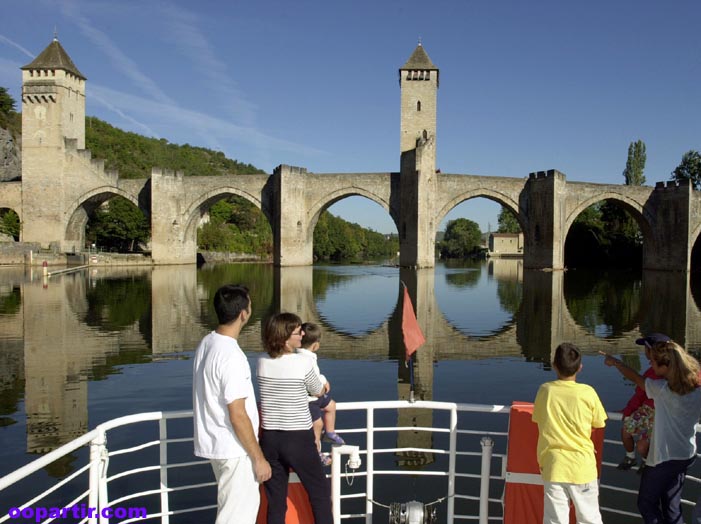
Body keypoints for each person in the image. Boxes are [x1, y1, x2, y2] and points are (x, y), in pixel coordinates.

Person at [192, 284, 271, 524]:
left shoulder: (207, 343)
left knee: (230, 511)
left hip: (217, 444)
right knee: (237, 516)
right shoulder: (232, 356)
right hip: (236, 450)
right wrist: (258, 458)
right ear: (244, 314)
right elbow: (238, 414)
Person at [603, 340, 701, 524]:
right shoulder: (697, 392)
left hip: (664, 459)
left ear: (665, 366)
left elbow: (635, 378)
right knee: (672, 507)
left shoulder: (662, 391)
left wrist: (616, 363)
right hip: (686, 455)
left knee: (646, 504)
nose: (650, 364)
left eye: (654, 362)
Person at [257, 313, 333, 524]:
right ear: (284, 336)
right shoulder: (302, 362)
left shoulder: (261, 362)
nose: (302, 333)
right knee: (319, 493)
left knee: (276, 501)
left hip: (270, 440)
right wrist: (323, 386)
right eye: (297, 331)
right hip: (298, 438)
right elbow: (317, 390)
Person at [532, 342, 607, 524]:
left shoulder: (545, 390)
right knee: (589, 519)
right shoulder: (588, 393)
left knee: (555, 520)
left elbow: (537, 419)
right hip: (583, 467)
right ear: (580, 368)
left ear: (554, 365)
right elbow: (599, 422)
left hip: (554, 465)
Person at [616, 333, 669, 472]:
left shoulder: (671, 376)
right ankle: (630, 457)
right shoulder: (649, 372)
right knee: (625, 431)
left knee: (642, 445)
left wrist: (616, 363)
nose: (645, 353)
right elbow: (639, 394)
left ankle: (646, 461)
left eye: (646, 349)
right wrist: (628, 410)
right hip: (645, 410)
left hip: (658, 415)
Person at [298, 322, 345, 465]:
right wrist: (324, 382)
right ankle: (316, 452)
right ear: (316, 345)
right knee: (317, 425)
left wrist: (322, 380)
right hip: (309, 399)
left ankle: (330, 432)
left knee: (331, 405)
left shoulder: (305, 355)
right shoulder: (305, 359)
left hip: (315, 395)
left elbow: (315, 376)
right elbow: (313, 381)